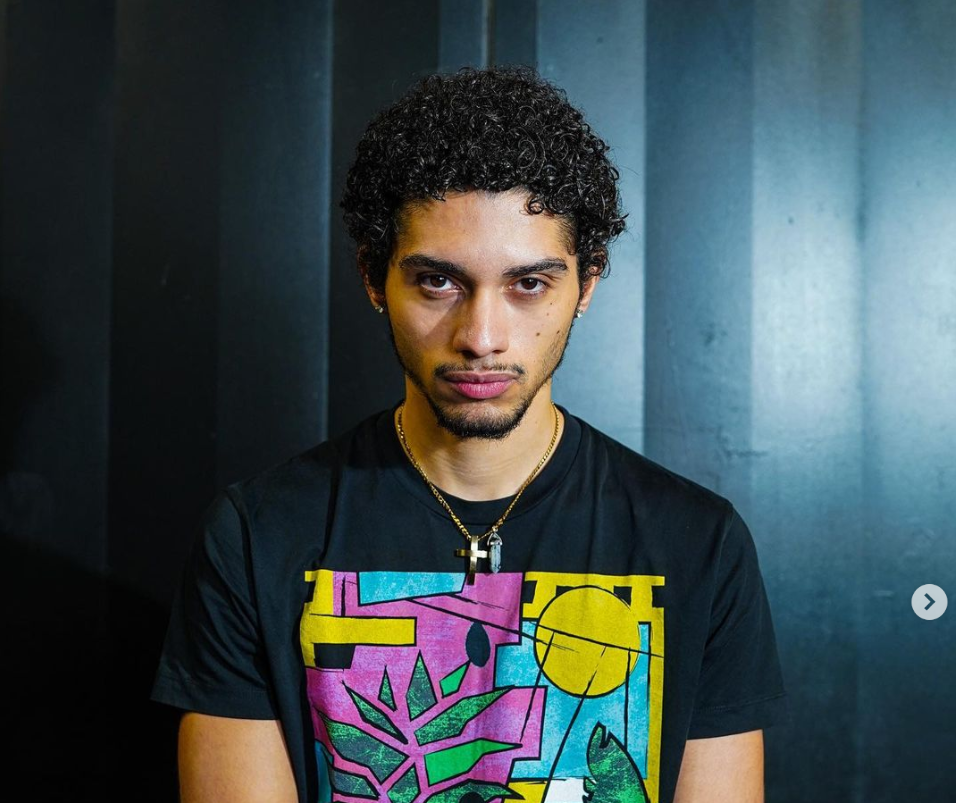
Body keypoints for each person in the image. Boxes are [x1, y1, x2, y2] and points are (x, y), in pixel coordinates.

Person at [151, 65, 788, 803]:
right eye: (438, 282)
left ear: (587, 284)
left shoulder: (697, 543)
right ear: (374, 277)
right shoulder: (256, 538)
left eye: (528, 284)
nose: (481, 336)